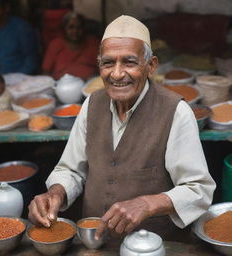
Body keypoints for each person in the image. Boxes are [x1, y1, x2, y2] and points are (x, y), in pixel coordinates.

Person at [28, 15, 216, 243]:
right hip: (94, 242)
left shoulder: (175, 112)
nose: (116, 74)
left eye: (129, 62)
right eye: (108, 63)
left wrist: (147, 203)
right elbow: (71, 170)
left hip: (154, 246)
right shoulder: (91, 104)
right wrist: (56, 192)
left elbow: (198, 189)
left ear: (151, 66)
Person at [42, 11, 100, 81]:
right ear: (64, 29)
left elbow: (103, 68)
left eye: (79, 27)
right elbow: (46, 72)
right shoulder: (55, 45)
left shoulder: (93, 43)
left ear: (84, 28)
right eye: (71, 27)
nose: (75, 31)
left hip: (89, 86)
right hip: (60, 87)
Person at [0, 0, 39, 74]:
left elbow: (31, 61)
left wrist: (15, 78)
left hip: (16, 80)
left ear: (7, 7)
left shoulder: (21, 28)